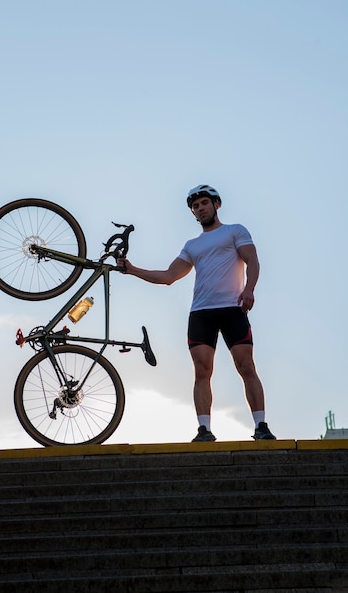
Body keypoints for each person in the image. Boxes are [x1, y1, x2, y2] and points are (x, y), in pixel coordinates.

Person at [118, 184, 276, 442]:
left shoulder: (234, 231)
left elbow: (253, 260)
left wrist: (249, 289)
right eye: (195, 206)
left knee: (246, 366)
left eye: (203, 203)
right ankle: (204, 429)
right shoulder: (192, 245)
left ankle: (261, 426)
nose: (200, 208)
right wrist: (133, 269)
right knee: (202, 371)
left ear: (216, 204)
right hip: (201, 312)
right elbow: (169, 276)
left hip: (232, 308)